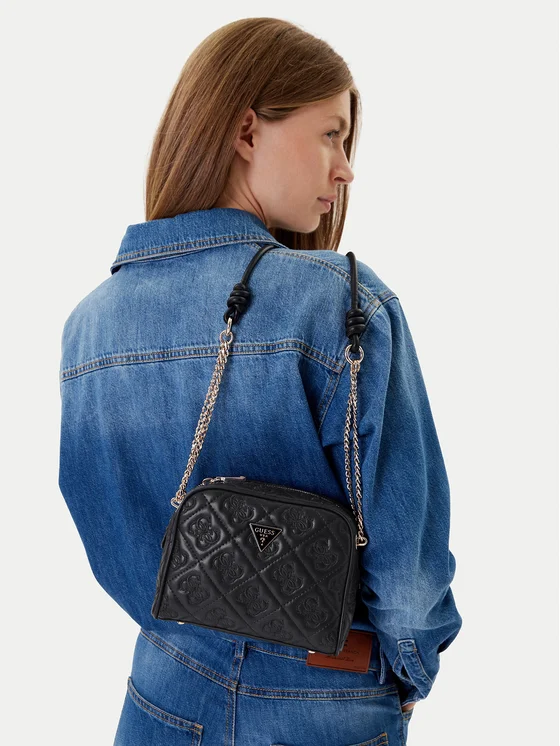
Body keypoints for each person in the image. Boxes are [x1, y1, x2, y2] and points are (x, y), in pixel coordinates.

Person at [58, 17, 462, 746]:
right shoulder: (341, 304)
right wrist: (399, 675)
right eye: (331, 135)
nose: (346, 170)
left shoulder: (89, 326)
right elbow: (410, 581)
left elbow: (112, 540)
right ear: (247, 131)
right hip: (327, 700)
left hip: (159, 697)